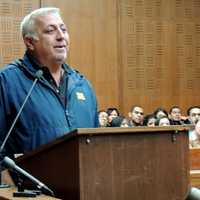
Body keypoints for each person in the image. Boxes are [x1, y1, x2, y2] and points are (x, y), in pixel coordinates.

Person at [0, 7, 98, 156]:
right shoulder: (7, 82)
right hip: (29, 179)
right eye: (50, 31)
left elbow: (97, 144)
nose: (61, 36)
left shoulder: (83, 85)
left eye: (64, 30)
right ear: (30, 42)